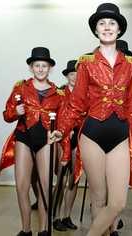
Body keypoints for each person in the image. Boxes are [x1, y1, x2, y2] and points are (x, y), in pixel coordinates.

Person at [49, 3, 132, 235]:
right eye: (102, 23)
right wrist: (62, 128)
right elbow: (77, 102)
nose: (107, 27)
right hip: (92, 134)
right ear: (96, 30)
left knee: (117, 202)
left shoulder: (131, 64)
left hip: (120, 134)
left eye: (112, 23)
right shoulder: (86, 62)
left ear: (119, 30)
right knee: (98, 198)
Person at [2, 47, 64, 236]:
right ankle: (26, 229)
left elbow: (64, 121)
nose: (40, 69)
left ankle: (44, 229)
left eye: (44, 65)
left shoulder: (59, 93)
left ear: (49, 68)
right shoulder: (20, 87)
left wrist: (61, 133)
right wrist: (15, 112)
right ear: (31, 67)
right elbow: (7, 114)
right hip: (24, 138)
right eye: (37, 65)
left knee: (45, 185)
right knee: (22, 185)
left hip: (46, 140)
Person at [53, 60, 80, 232]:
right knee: (61, 179)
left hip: (80, 137)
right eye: (72, 74)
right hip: (62, 137)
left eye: (78, 74)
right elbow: (54, 116)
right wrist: (64, 131)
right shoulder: (60, 93)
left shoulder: (86, 93)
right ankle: (55, 216)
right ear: (67, 76)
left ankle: (67, 215)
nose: (75, 77)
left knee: (74, 179)